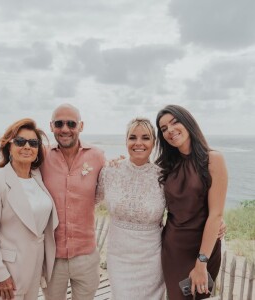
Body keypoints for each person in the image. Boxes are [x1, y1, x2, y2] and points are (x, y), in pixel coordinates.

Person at [0, 118, 59, 300]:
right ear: (9, 147)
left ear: (38, 150)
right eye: (20, 141)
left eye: (33, 142)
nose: (27, 146)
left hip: (35, 270)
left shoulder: (38, 177)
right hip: (7, 272)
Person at [155, 105, 228, 300]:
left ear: (187, 122)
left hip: (204, 248)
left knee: (198, 296)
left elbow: (216, 215)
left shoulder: (213, 160)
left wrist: (201, 262)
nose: (169, 130)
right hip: (173, 248)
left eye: (174, 122)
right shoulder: (165, 166)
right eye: (163, 129)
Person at [40, 104, 106, 300]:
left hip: (86, 255)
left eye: (71, 123)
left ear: (81, 126)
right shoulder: (41, 156)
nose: (65, 129)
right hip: (51, 258)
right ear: (51, 126)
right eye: (59, 124)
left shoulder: (97, 156)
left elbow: (104, 190)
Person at [96, 117, 166, 300]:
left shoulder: (164, 177)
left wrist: (216, 219)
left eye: (145, 137)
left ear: (154, 142)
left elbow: (184, 208)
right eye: (132, 137)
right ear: (126, 141)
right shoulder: (110, 171)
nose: (138, 143)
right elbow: (88, 198)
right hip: (118, 256)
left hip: (152, 259)